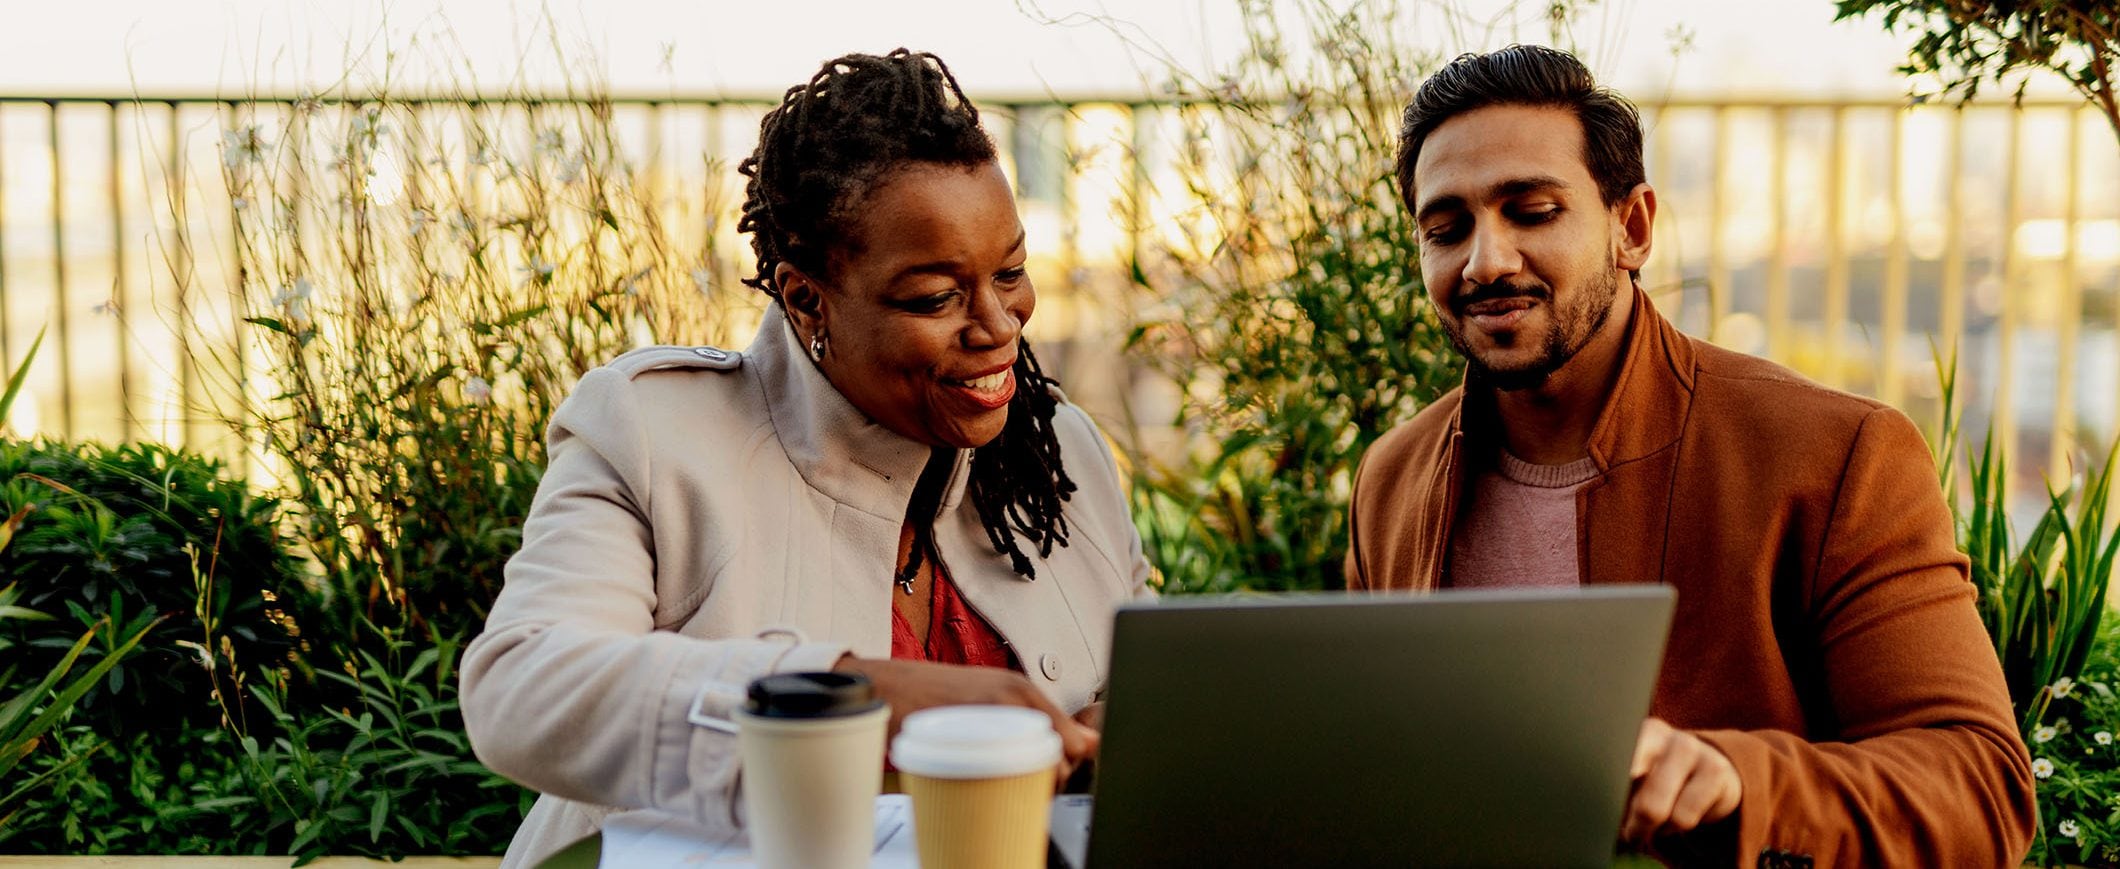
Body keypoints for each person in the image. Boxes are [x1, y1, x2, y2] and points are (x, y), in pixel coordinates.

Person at [460, 49, 1153, 869]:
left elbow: (1133, 686)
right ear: (804, 297)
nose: (999, 324)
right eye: (935, 297)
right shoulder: (656, 434)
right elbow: (523, 687)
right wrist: (855, 699)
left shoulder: (1058, 452)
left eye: (1010, 273)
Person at [1344, 45, 2034, 866]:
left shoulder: (1836, 454)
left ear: (1631, 228)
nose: (1485, 261)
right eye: (1446, 229)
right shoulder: (1391, 479)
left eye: (1531, 211)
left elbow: (1981, 787)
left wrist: (1740, 782)